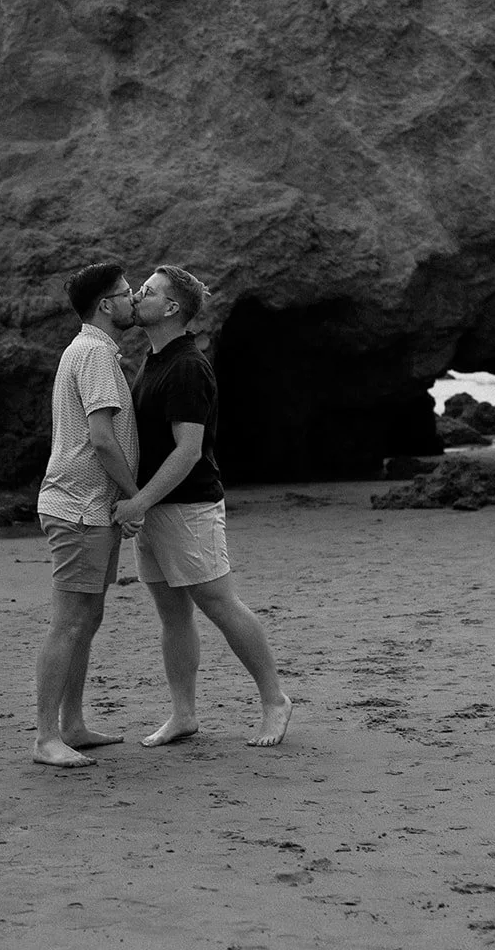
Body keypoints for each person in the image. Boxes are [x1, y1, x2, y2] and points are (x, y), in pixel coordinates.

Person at [114, 265, 292, 749]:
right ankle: (184, 715)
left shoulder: (188, 365)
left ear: (171, 308)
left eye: (146, 292)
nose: (137, 297)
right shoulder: (155, 358)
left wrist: (139, 502)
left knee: (219, 603)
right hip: (153, 508)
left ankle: (275, 700)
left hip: (188, 506)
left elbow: (188, 450)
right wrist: (135, 500)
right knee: (172, 614)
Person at [34, 260, 142, 768]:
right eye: (125, 293)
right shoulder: (95, 354)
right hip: (77, 509)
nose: (132, 300)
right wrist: (135, 495)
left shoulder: (93, 350)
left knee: (87, 617)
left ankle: (72, 724)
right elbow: (101, 439)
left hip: (92, 510)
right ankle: (46, 738)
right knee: (69, 622)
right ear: (105, 304)